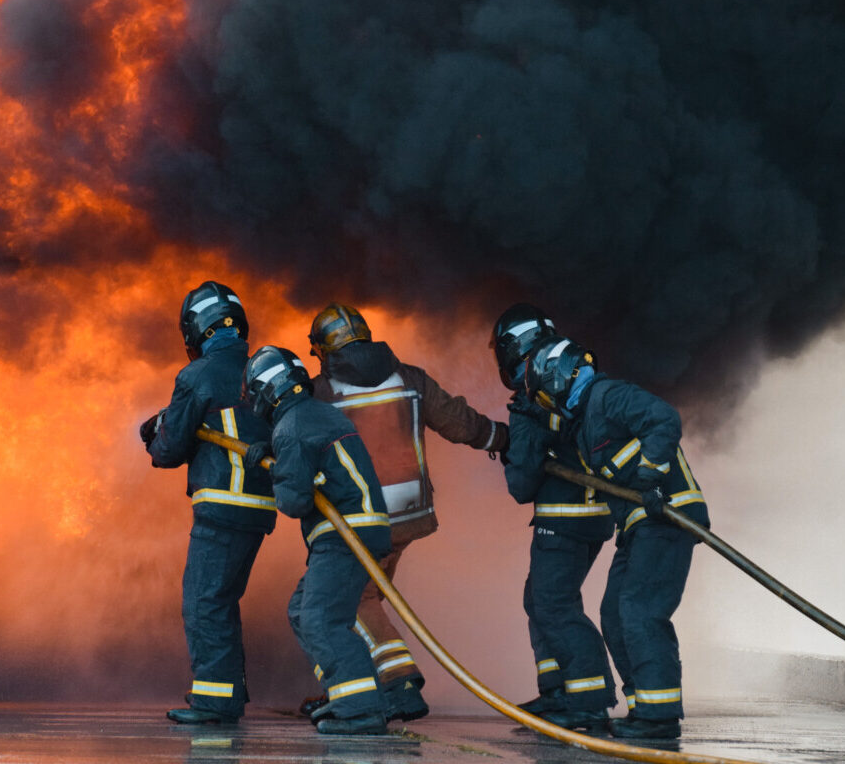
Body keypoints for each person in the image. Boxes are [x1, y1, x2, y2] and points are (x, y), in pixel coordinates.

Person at [303, 303, 508, 722]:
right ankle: (365, 687)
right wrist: (501, 438)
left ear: (323, 349)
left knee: (350, 603)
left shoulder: (321, 392)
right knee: (370, 596)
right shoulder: (409, 378)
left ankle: (400, 684)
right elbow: (458, 422)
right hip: (408, 515)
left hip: (358, 519)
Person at [523, 335, 709, 740]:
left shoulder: (609, 396)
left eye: (543, 396)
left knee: (640, 608)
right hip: (640, 525)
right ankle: (644, 705)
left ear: (557, 378)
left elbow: (665, 419)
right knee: (614, 612)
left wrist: (651, 475)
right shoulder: (586, 419)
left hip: (669, 514)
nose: (546, 403)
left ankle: (659, 717)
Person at [141, 281, 276, 725]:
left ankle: (216, 701)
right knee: (222, 600)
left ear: (195, 329)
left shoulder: (197, 375)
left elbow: (169, 450)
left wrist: (157, 435)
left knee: (203, 603)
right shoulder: (260, 368)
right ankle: (228, 691)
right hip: (259, 509)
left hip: (221, 506)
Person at [242, 344, 391, 735]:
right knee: (301, 611)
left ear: (264, 391)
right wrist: (272, 454)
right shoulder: (314, 414)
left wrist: (270, 466)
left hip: (345, 535)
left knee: (321, 619)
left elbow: (293, 501)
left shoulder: (291, 427)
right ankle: (344, 696)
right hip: (356, 530)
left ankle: (361, 709)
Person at [494, 306, 616, 731]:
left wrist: (515, 454)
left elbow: (521, 486)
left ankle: (587, 697)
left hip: (563, 521)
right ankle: (558, 689)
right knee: (541, 599)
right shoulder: (568, 375)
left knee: (554, 604)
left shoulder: (531, 396)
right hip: (596, 517)